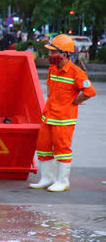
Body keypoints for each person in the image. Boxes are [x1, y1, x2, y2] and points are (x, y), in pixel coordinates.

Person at [29, 34, 96, 192]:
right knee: (43, 147)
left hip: (64, 119)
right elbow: (50, 88)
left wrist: (75, 102)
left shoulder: (76, 73)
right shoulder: (53, 68)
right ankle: (47, 178)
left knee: (62, 149)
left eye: (53, 52)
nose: (50, 55)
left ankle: (62, 181)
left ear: (64, 54)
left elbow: (90, 91)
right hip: (49, 115)